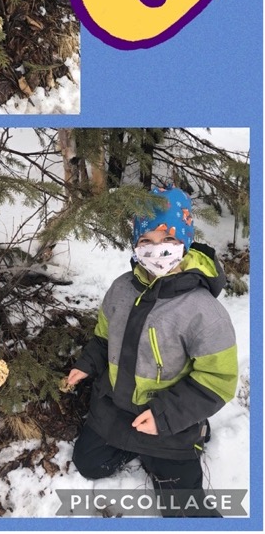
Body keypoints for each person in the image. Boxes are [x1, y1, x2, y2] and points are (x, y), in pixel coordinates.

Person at [67, 185, 238, 517]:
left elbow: (217, 381)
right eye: (147, 242)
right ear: (135, 245)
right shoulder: (120, 289)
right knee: (88, 463)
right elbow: (104, 338)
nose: (156, 251)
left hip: (170, 420)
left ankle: (193, 433)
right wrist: (88, 363)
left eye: (168, 241)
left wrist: (164, 417)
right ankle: (137, 447)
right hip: (117, 408)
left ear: (184, 242)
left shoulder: (204, 311)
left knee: (183, 507)